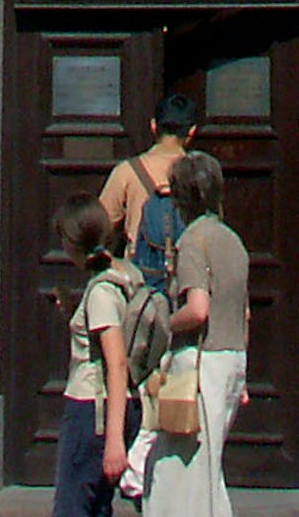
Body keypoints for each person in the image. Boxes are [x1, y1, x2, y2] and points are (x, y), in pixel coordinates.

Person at [151, 148, 250, 517]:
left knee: (181, 474)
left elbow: (197, 309)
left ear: (181, 198)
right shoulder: (233, 241)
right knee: (210, 470)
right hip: (233, 358)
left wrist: (165, 321)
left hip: (200, 362)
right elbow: (244, 312)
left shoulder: (194, 240)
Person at [50, 197, 148, 517]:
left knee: (73, 507)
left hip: (92, 411)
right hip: (113, 409)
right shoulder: (126, 276)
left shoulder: (102, 292)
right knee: (96, 507)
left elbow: (116, 363)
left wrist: (114, 441)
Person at [100, 90, 199, 289]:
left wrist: (116, 267)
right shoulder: (203, 174)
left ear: (153, 126)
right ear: (192, 132)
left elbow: (97, 229)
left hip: (141, 285)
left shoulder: (127, 172)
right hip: (191, 285)